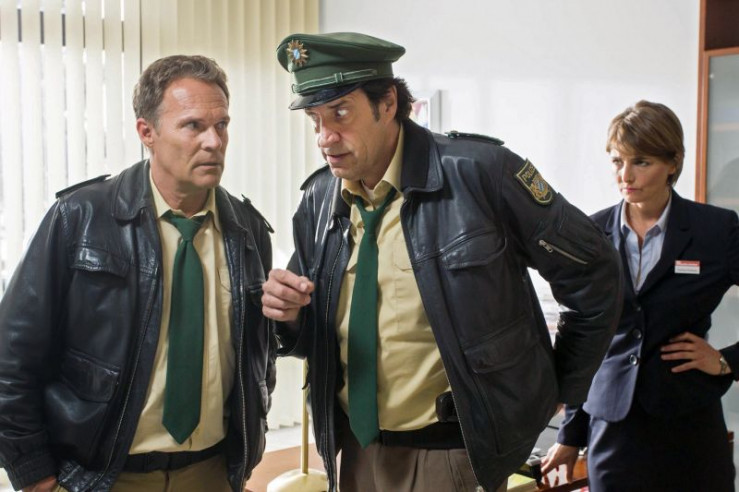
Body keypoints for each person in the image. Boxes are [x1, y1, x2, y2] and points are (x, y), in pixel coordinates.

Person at [262, 32, 622, 492]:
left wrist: (560, 387)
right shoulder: (318, 200)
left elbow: (594, 272)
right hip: (355, 450)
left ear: (388, 103)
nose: (324, 137)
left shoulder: (481, 174)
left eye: (341, 113)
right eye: (314, 119)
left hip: (453, 454)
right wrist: (289, 317)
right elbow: (312, 331)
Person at [0, 55, 275, 492]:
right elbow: (11, 357)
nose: (214, 142)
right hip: (99, 477)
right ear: (147, 132)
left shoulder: (248, 230)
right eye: (193, 126)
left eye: (221, 125)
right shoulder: (80, 218)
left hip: (211, 473)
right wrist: (34, 473)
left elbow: (257, 359)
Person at [541, 100, 739, 491]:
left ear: (673, 163)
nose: (625, 175)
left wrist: (725, 361)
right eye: (617, 161)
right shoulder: (591, 234)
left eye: (641, 162)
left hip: (691, 427)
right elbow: (585, 341)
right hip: (613, 431)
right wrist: (570, 434)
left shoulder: (716, 231)